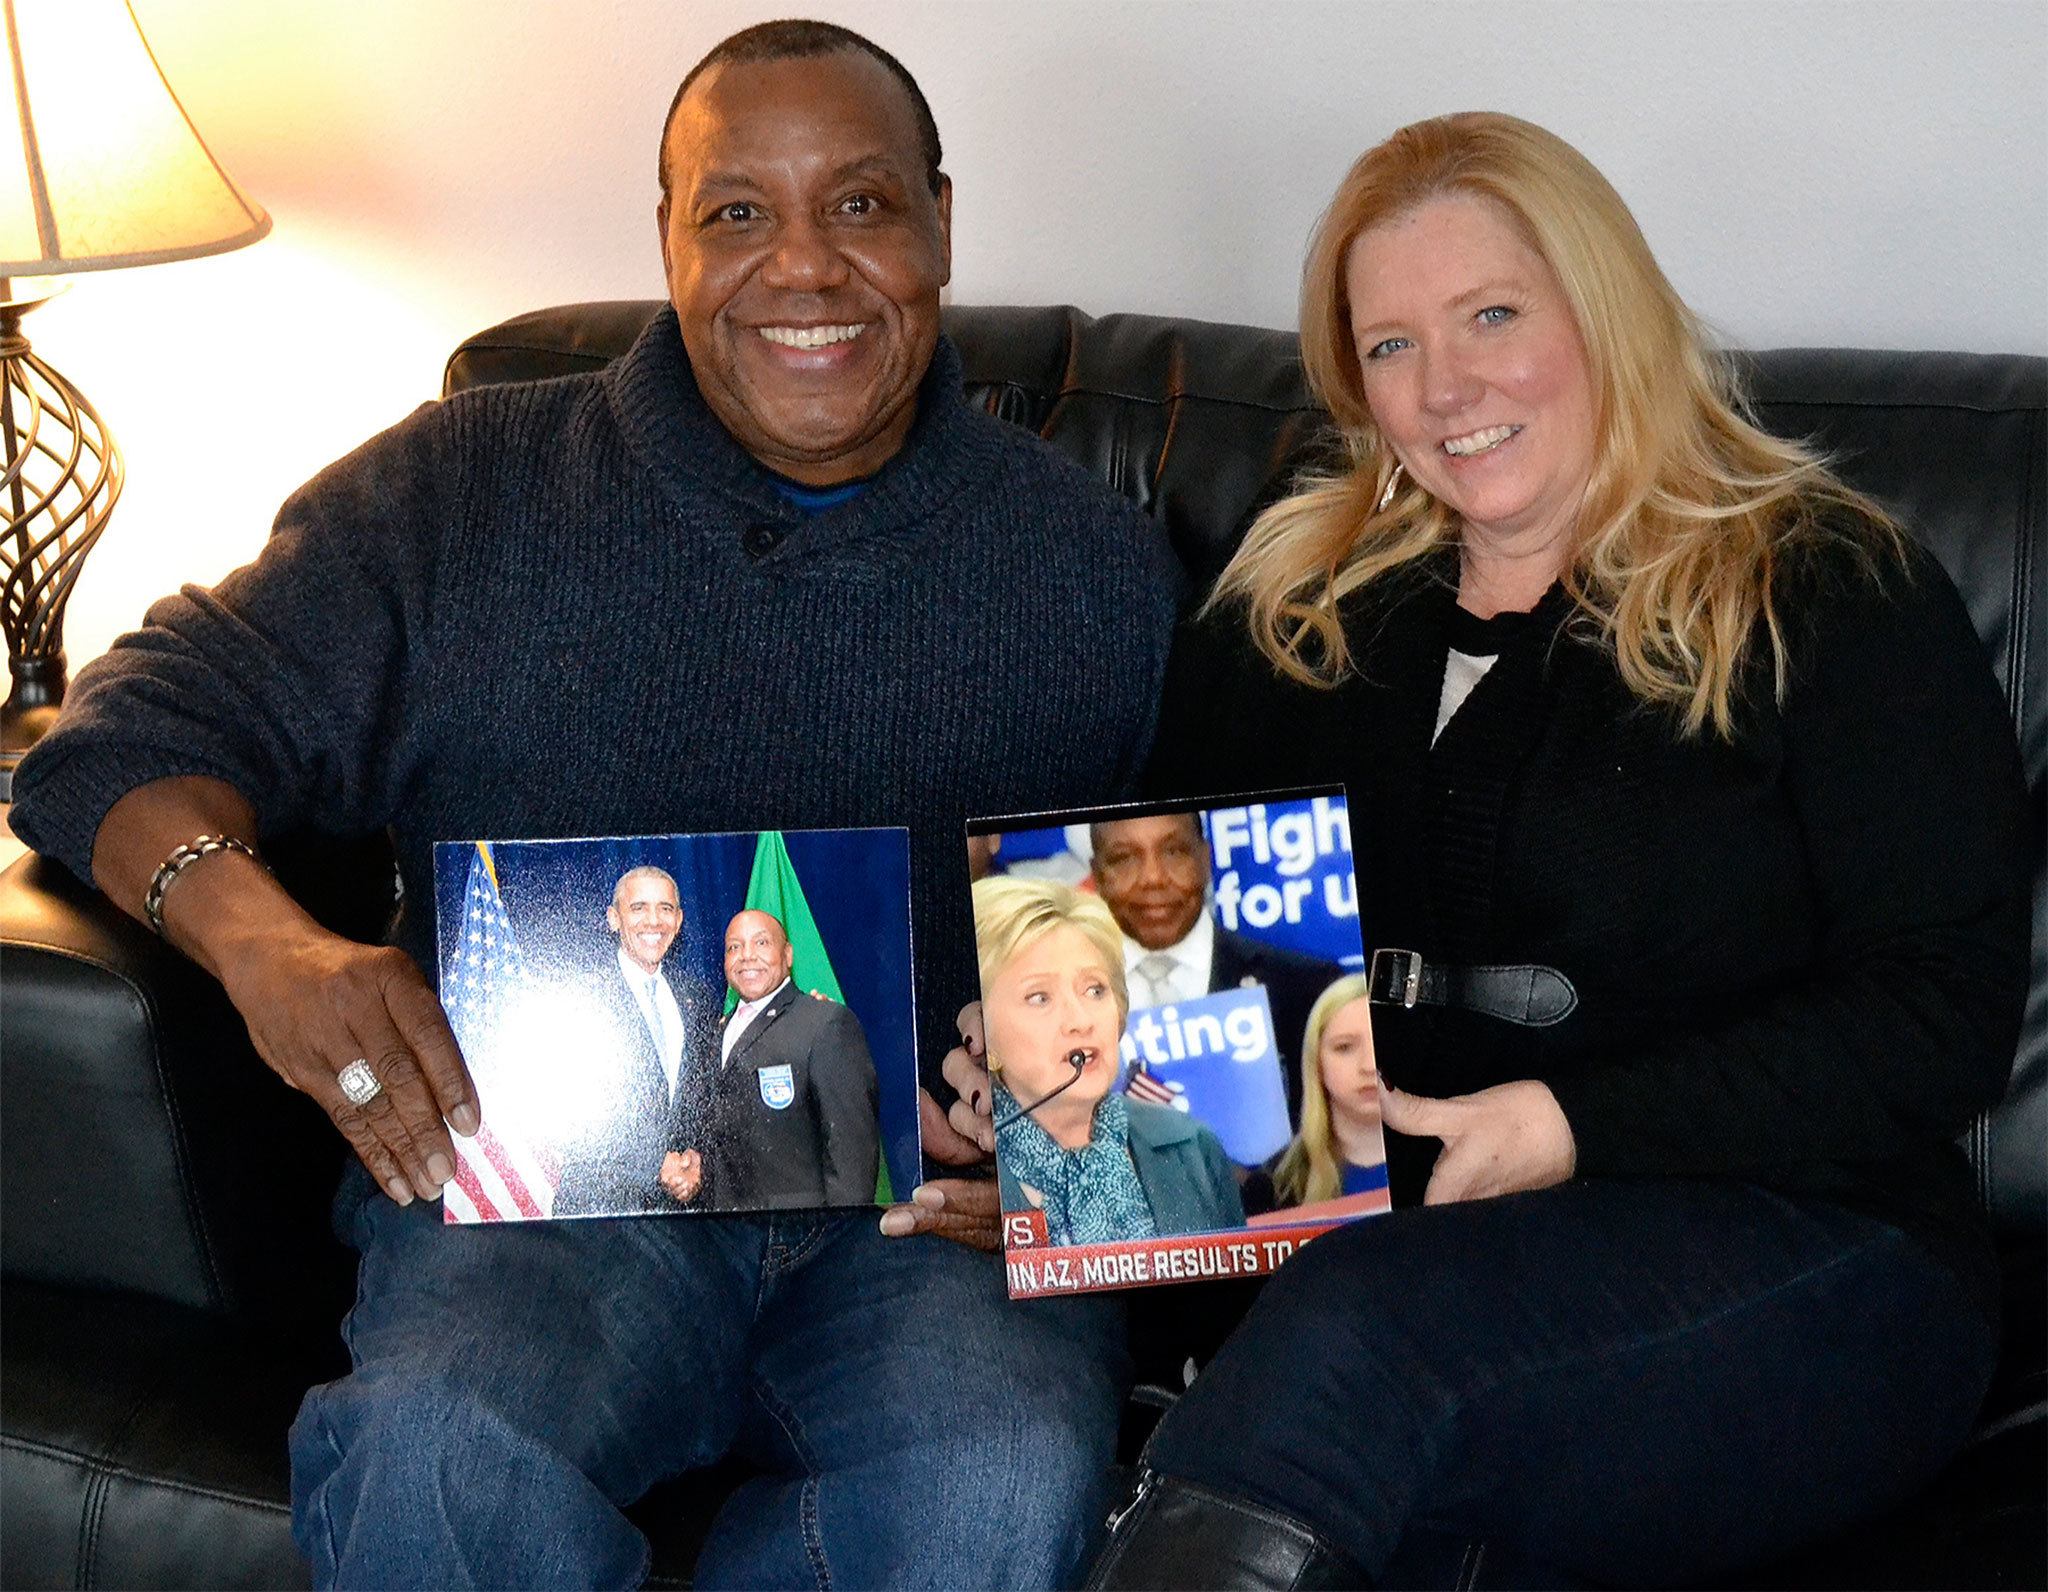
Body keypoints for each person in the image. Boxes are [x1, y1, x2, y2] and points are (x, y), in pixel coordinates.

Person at [8, 20, 1179, 1589]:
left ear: (941, 226)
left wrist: (1066, 1162)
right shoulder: (457, 492)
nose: (806, 268)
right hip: (543, 1206)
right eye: (738, 212)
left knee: (1001, 1491)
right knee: (433, 1457)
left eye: (863, 204)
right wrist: (267, 944)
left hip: (923, 1232)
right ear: (669, 241)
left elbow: (1199, 975)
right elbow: (121, 735)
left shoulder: (1094, 566)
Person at [1087, 113, 2031, 1587]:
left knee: (1357, 1340)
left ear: (1605, 311)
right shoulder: (1296, 601)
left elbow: (1939, 1018)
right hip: (1388, 1268)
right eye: (1390, 346)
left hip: (1807, 1250)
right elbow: (1183, 971)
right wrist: (1051, 1112)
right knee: (1355, 1393)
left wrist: (1581, 1124)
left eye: (1492, 316)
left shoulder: (1826, 585)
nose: (1446, 385)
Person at [976, 875, 1245, 1244]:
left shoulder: (1192, 1148)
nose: (1081, 1020)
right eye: (1040, 997)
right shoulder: (968, 1179)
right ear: (980, 1034)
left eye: (1094, 990)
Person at [1089, 811, 1338, 1119]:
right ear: (1097, 875)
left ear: (1205, 860)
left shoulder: (1307, 990)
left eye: (1174, 851)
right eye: (1124, 858)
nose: (1152, 878)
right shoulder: (1064, 1005)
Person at [550, 866, 706, 1216]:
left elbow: (705, 1099)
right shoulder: (579, 997)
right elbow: (566, 1116)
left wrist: (696, 1161)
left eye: (665, 909)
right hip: (600, 1215)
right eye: (639, 908)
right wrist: (655, 1164)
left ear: (679, 921)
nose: (654, 921)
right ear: (614, 919)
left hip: (680, 1221)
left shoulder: (696, 998)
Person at [701, 908, 880, 1210]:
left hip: (798, 1235)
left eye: (761, 943)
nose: (746, 955)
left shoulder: (825, 1023)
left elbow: (852, 1154)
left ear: (788, 955)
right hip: (726, 1233)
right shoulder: (714, 1032)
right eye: (734, 947)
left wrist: (842, 1237)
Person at [1241, 973, 1387, 1216]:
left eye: (1384, 1042)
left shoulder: (1457, 1159)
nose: (1369, 1065)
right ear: (1317, 1063)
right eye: (1345, 1047)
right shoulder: (1274, 1185)